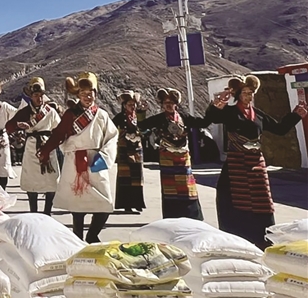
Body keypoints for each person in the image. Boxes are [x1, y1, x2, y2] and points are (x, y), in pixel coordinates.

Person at [208, 75, 307, 249]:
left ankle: (262, 236)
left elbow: (279, 129)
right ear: (238, 95)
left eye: (251, 92)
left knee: (262, 201)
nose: (249, 96)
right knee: (232, 198)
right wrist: (220, 101)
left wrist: (296, 115)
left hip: (256, 164)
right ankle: (236, 236)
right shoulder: (230, 112)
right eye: (245, 92)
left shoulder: (258, 115)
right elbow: (214, 117)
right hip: (236, 163)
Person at [38, 72, 117, 243]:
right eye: (83, 93)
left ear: (96, 93)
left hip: (95, 160)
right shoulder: (70, 114)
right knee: (78, 204)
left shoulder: (101, 115)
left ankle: (92, 235)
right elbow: (58, 134)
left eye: (90, 93)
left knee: (105, 204)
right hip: (74, 161)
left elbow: (112, 137)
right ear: (78, 95)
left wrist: (104, 157)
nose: (87, 97)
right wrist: (45, 150)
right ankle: (78, 238)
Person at [138, 88, 211, 220]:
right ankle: (172, 216)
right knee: (169, 187)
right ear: (162, 104)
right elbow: (141, 125)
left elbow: (203, 122)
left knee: (187, 187)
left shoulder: (184, 117)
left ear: (176, 104)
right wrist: (141, 112)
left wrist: (214, 107)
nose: (168, 105)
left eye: (171, 102)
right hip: (167, 158)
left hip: (183, 158)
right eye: (166, 102)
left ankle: (192, 216)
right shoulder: (159, 119)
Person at [6, 77, 61, 215]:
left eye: (41, 95)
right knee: (32, 181)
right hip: (31, 149)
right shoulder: (24, 112)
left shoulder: (50, 111)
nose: (39, 98)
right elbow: (8, 127)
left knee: (51, 180)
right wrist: (18, 126)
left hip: (48, 147)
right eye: (36, 95)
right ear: (31, 96)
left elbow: (59, 129)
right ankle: (33, 212)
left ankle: (47, 211)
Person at [112, 91, 148, 214]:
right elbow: (111, 129)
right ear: (124, 105)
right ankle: (126, 204)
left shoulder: (139, 117)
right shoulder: (119, 117)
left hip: (137, 148)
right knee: (125, 176)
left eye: (134, 104)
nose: (132, 106)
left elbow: (145, 129)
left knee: (137, 176)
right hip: (124, 148)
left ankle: (137, 203)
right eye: (129, 104)